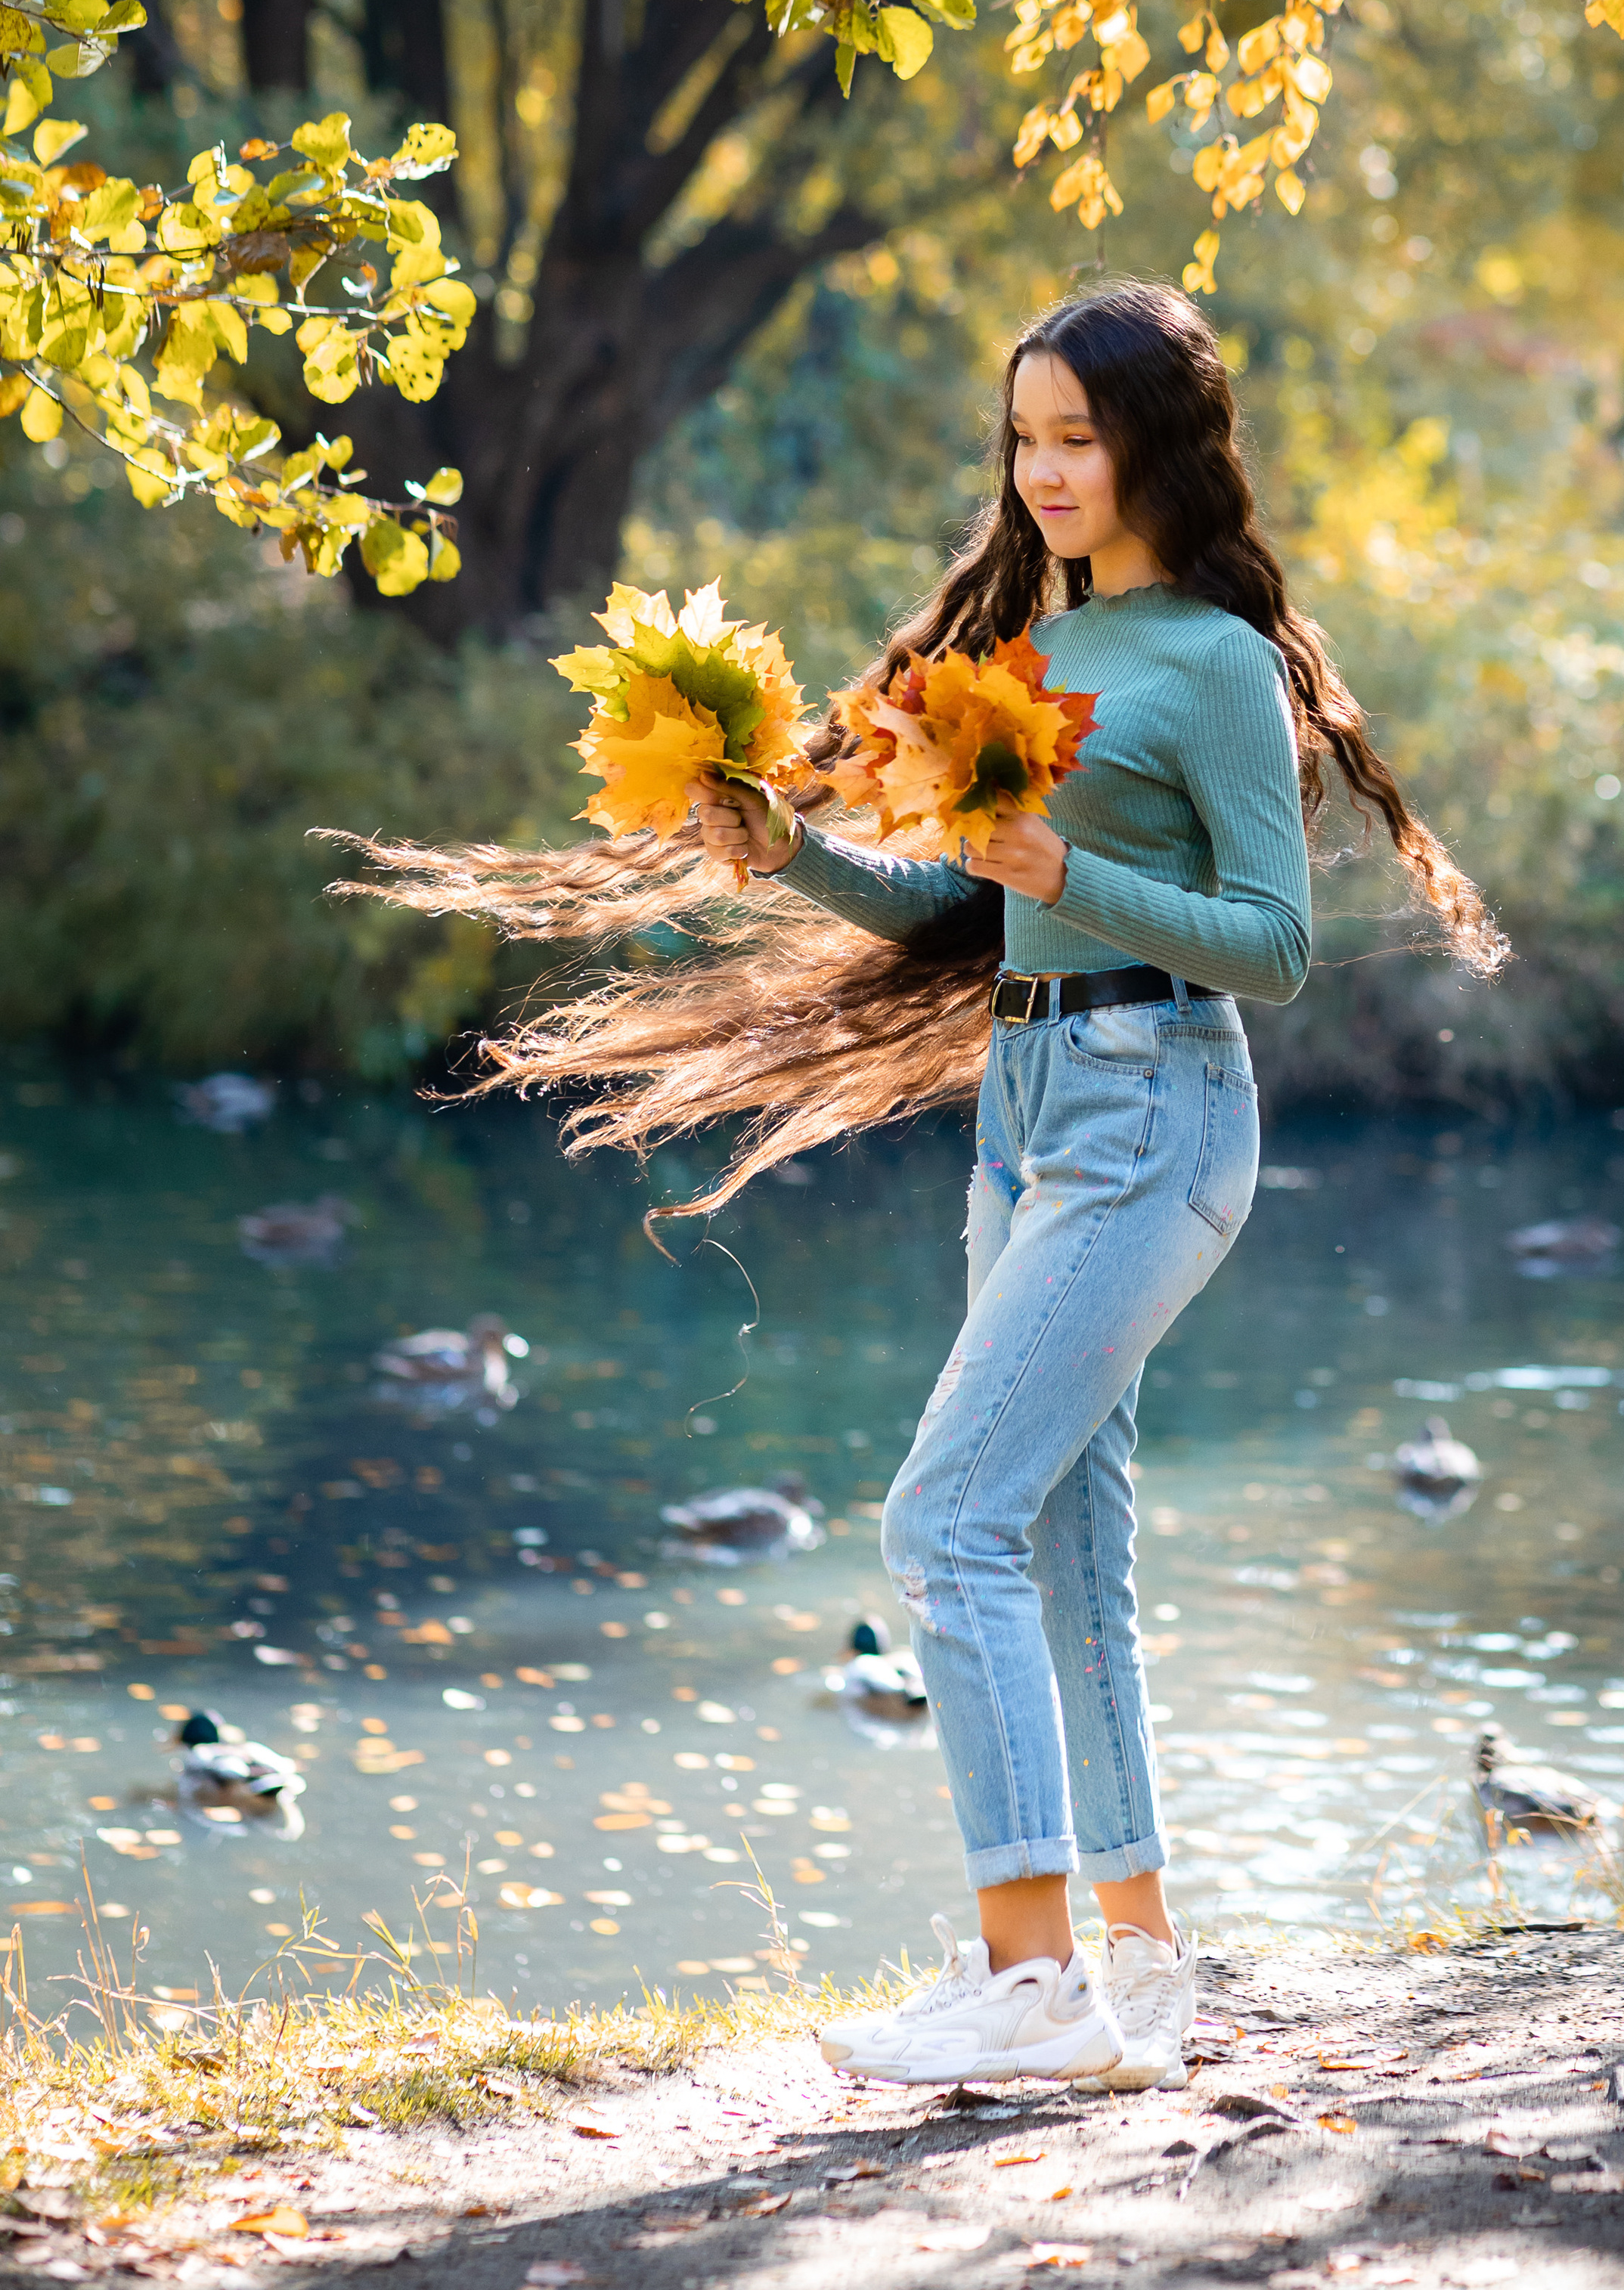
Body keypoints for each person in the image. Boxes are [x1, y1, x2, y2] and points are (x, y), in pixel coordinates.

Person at [346, 280, 1501, 2092]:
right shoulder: (1036, 650)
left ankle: (1022, 1979)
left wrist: (1067, 862)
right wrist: (786, 848)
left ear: (1158, 445)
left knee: (937, 1523)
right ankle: (1134, 1970)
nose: (1043, 471)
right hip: (1031, 1103)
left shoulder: (1206, 662)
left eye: (1077, 436)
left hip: (1156, 1103)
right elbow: (971, 913)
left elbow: (1271, 946)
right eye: (1023, 437)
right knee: (1057, 1543)